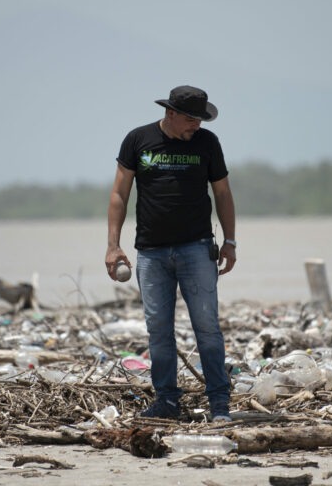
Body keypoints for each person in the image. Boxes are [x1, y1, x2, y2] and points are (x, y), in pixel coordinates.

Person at [105, 85, 237, 421]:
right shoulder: (138, 140)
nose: (198, 125)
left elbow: (222, 193)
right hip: (151, 253)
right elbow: (120, 193)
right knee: (158, 330)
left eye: (201, 119)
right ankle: (167, 402)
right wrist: (113, 245)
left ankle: (219, 403)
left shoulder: (208, 143)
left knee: (207, 327)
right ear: (170, 113)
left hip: (197, 249)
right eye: (192, 119)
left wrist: (230, 242)